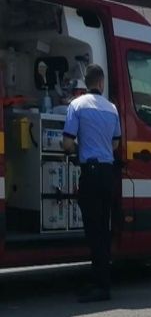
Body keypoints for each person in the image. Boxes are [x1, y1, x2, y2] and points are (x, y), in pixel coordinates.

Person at [62, 64, 121, 303]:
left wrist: (80, 148)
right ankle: (99, 280)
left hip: (90, 173)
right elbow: (115, 144)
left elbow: (67, 143)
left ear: (86, 83)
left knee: (93, 230)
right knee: (103, 229)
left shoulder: (76, 105)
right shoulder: (112, 109)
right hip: (108, 174)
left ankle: (101, 287)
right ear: (102, 82)